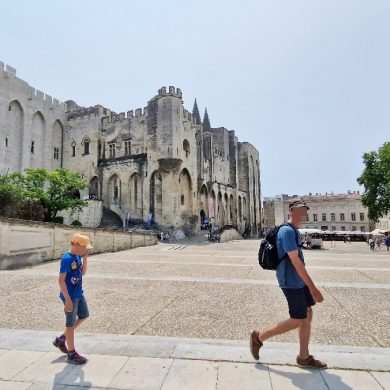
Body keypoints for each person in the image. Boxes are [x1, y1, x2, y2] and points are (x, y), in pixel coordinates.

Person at [250, 200, 327, 369]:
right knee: (298, 319)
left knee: (307, 313)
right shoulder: (286, 231)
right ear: (291, 211)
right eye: (300, 210)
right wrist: (313, 288)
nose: (303, 213)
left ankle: (304, 357)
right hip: (291, 281)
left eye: (305, 211)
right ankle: (259, 337)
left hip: (298, 280)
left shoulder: (294, 231)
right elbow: (296, 261)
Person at [53, 233, 92, 365]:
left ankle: (62, 338)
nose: (86, 250)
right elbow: (61, 280)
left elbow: (82, 273)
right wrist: (68, 300)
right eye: (85, 247)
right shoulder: (67, 259)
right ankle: (71, 353)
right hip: (70, 296)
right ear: (75, 245)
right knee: (70, 324)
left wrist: (85, 259)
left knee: (84, 315)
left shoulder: (77, 257)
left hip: (78, 293)